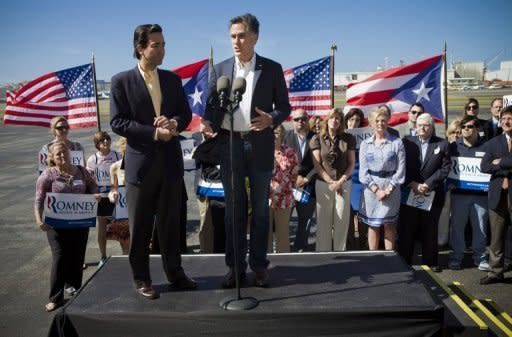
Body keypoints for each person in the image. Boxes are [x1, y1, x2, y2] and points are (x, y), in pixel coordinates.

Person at [202, 13, 291, 288]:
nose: (236, 41)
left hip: (260, 144)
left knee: (261, 213)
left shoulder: (272, 68)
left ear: (254, 37)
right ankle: (236, 268)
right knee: (234, 211)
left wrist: (271, 119)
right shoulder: (219, 69)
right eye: (232, 36)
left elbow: (284, 107)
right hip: (230, 144)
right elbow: (210, 109)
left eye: (241, 35)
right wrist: (207, 123)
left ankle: (259, 266)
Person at [110, 23, 195, 299]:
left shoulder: (171, 79)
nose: (162, 50)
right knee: (141, 225)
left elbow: (185, 113)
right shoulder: (121, 81)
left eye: (163, 44)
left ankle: (175, 273)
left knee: (171, 224)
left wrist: (174, 123)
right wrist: (154, 132)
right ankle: (141, 279)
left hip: (170, 165)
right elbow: (117, 122)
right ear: (140, 48)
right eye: (156, 45)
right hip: (141, 167)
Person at [34, 141, 100, 312]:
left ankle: (74, 287)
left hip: (80, 222)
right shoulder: (48, 175)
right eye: (58, 154)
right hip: (56, 225)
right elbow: (39, 199)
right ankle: (55, 297)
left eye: (64, 152)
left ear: (70, 153)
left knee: (77, 256)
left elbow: (92, 185)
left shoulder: (81, 171)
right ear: (52, 158)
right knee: (60, 258)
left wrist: (95, 194)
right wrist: (38, 220)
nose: (62, 156)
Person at [398, 113, 451, 272]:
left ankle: (431, 262)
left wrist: (427, 184)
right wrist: (412, 183)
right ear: (415, 126)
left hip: (432, 193)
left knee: (430, 230)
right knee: (407, 229)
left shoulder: (442, 144)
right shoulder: (406, 142)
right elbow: (401, 165)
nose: (422, 127)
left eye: (426, 125)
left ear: (432, 127)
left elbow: (445, 168)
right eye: (419, 124)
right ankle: (404, 261)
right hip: (410, 191)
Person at [358, 108, 405, 250]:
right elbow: (363, 172)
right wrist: (376, 190)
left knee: (389, 225)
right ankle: (374, 258)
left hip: (391, 188)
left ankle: (389, 258)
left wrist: (388, 189)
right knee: (373, 225)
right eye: (377, 121)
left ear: (388, 121)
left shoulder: (397, 142)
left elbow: (401, 170)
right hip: (372, 191)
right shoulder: (365, 144)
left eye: (383, 120)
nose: (380, 123)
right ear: (371, 123)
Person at [447, 116, 489, 271]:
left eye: (470, 126)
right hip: (459, 194)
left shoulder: (486, 146)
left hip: (481, 195)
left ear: (477, 129)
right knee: (457, 227)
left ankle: (480, 258)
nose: (466, 129)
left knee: (480, 227)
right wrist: (448, 182)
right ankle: (456, 257)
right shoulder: (453, 146)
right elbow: (446, 167)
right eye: (464, 126)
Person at [310, 108, 355, 251]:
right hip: (324, 184)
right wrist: (331, 182)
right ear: (327, 120)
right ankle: (323, 255)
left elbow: (351, 163)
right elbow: (317, 165)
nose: (334, 121)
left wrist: (340, 182)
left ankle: (340, 253)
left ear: (341, 122)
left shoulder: (348, 138)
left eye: (337, 118)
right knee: (323, 222)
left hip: (344, 183)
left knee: (341, 219)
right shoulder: (316, 138)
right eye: (332, 118)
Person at [479, 105, 512, 284]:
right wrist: (505, 165)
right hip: (498, 195)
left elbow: (495, 164)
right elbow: (484, 166)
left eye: (510, 119)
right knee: (496, 237)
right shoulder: (494, 142)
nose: (506, 122)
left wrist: (501, 162)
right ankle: (495, 273)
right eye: (504, 119)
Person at [283, 108, 316, 252]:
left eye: (303, 119)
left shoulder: (315, 138)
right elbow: (280, 161)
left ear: (307, 120)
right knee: (284, 221)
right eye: (297, 119)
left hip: (308, 186)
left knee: (305, 221)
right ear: (292, 121)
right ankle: (284, 249)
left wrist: (306, 179)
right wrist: (294, 178)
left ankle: (300, 249)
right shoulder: (286, 137)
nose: (300, 122)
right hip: (289, 186)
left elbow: (319, 164)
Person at [86, 131, 121, 267]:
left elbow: (122, 174)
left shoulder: (118, 156)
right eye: (101, 140)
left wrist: (118, 190)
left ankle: (125, 254)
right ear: (97, 144)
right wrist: (94, 192)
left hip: (116, 196)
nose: (105, 142)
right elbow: (89, 180)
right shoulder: (92, 159)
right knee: (102, 228)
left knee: (121, 226)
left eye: (107, 139)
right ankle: (103, 256)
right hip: (102, 198)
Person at [268, 124, 299, 253]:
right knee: (265, 233)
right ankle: (263, 263)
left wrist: (278, 192)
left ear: (282, 135)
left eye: (277, 132)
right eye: (272, 132)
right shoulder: (261, 152)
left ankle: (284, 262)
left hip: (284, 199)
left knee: (283, 233)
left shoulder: (290, 153)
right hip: (265, 199)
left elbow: (294, 175)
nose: (274, 135)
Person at [344, 107, 368, 250]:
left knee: (363, 217)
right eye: (351, 119)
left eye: (357, 120)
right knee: (347, 217)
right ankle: (351, 246)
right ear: (346, 121)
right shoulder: (342, 136)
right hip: (347, 179)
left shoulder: (365, 137)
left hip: (362, 181)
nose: (354, 123)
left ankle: (362, 245)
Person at [438, 118, 462, 247]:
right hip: (446, 183)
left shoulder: (464, 148)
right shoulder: (443, 145)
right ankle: (442, 238)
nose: (456, 135)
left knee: (457, 214)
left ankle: (455, 240)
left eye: (458, 132)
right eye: (453, 132)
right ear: (448, 133)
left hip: (461, 185)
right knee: (445, 211)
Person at [108, 137, 130, 254]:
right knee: (125, 242)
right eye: (125, 151)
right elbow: (113, 189)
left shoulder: (143, 164)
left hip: (139, 209)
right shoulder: (115, 167)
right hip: (122, 210)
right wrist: (113, 195)